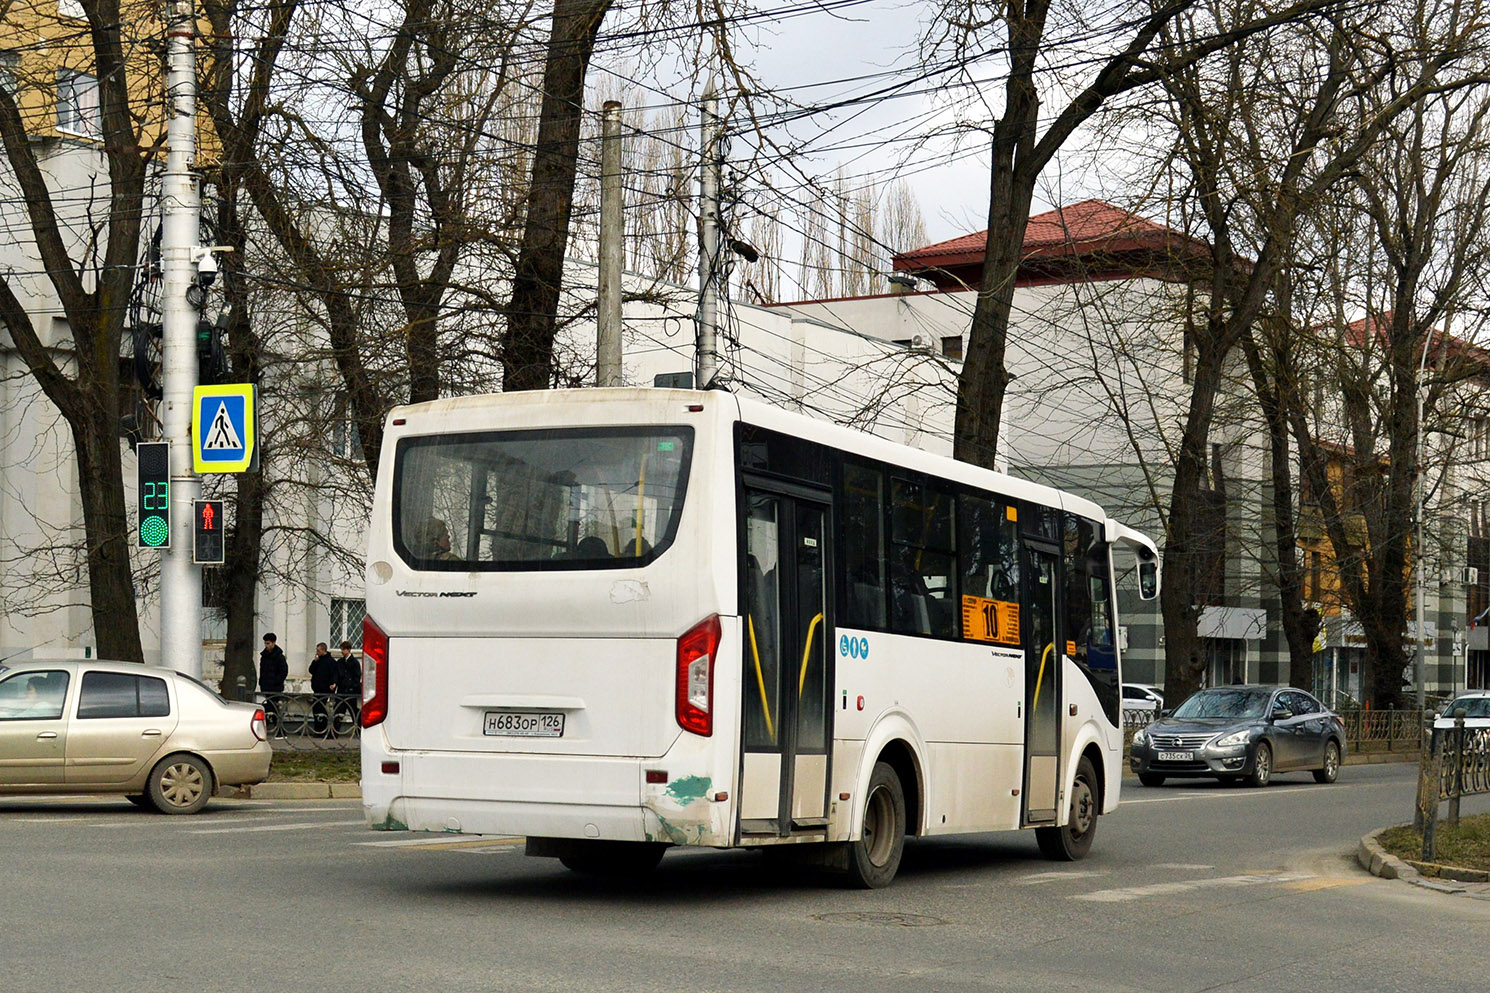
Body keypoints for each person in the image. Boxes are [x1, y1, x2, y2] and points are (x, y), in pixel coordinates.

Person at [259, 633, 288, 732]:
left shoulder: (279, 657)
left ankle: (279, 729)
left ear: (273, 643)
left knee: (275, 708)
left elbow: (284, 671)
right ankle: (269, 727)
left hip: (276, 687)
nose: (266, 646)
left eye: (268, 643)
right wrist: (262, 682)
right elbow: (262, 670)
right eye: (265, 643)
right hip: (266, 686)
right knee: (269, 707)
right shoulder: (264, 656)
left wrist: (276, 682)